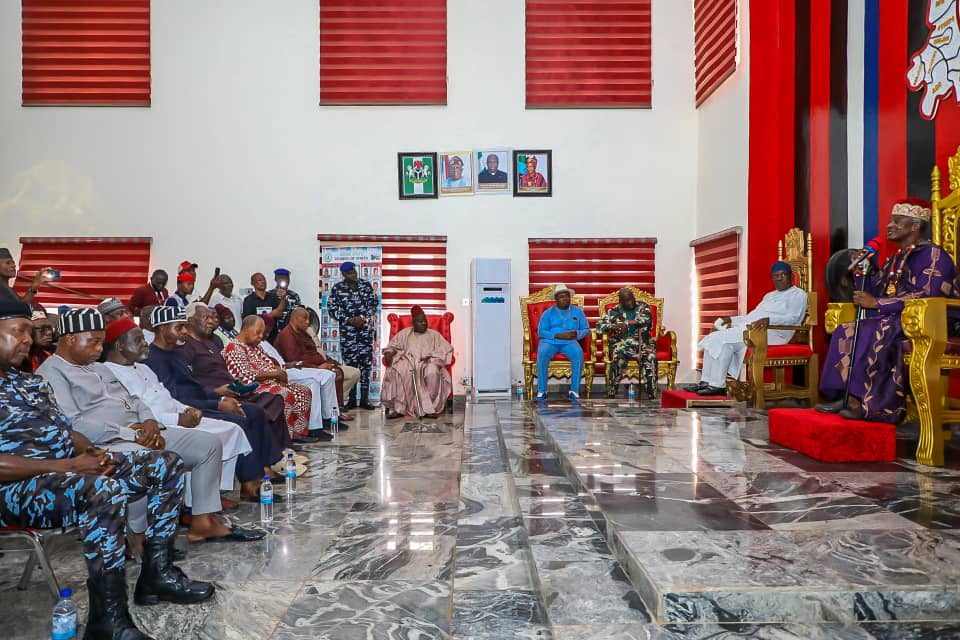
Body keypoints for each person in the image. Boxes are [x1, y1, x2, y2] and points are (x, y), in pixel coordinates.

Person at [0, 300, 214, 640]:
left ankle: (156, 574)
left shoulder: (29, 384)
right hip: (15, 489)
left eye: (29, 332)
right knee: (103, 490)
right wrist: (70, 464)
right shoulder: (46, 376)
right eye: (19, 332)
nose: (29, 340)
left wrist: (92, 453)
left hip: (64, 473)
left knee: (166, 464)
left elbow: (66, 430)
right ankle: (108, 619)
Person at [35, 309, 257, 545]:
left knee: (208, 444)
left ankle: (202, 521)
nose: (100, 349)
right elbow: (74, 425)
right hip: (104, 443)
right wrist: (134, 433)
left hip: (141, 430)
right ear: (70, 339)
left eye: (101, 342)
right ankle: (137, 536)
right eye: (94, 342)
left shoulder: (98, 367)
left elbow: (136, 400)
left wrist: (150, 422)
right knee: (147, 459)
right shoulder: (51, 374)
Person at [105, 315, 281, 509]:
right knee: (230, 428)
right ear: (120, 346)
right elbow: (141, 410)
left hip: (183, 410)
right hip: (162, 424)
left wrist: (190, 410)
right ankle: (202, 500)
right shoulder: (112, 372)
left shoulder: (144, 367)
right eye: (138, 340)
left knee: (236, 427)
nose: (144, 344)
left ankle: (217, 491)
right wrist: (181, 416)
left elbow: (168, 396)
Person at [818, 199, 956, 421]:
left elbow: (927, 295)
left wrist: (878, 304)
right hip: (897, 316)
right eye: (890, 221)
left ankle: (870, 403)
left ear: (914, 226)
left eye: (896, 221)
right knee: (847, 329)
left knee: (876, 328)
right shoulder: (894, 258)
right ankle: (846, 396)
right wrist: (862, 271)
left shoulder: (934, 256)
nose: (889, 225)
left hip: (933, 320)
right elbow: (878, 290)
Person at [179, 303, 298, 451]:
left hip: (234, 390)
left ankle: (282, 449)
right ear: (189, 321)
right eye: (205, 317)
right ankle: (271, 453)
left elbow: (225, 371)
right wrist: (217, 392)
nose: (211, 321)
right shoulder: (186, 346)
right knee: (258, 409)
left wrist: (239, 387)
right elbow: (190, 383)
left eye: (211, 317)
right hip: (215, 396)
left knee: (275, 400)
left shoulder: (213, 342)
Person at [685, 261, 808, 397]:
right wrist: (732, 320)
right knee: (720, 341)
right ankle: (711, 383)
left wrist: (770, 320)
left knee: (718, 338)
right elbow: (751, 317)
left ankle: (714, 383)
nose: (779, 278)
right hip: (755, 331)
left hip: (775, 333)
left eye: (783, 275)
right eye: (776, 276)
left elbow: (793, 318)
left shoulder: (798, 294)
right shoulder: (769, 296)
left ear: (791, 276)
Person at [223, 315, 316, 442]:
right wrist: (275, 375)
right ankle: (284, 437)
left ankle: (297, 433)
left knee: (303, 391)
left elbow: (270, 365)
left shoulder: (256, 347)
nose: (261, 336)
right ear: (245, 329)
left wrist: (278, 373)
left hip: (270, 383)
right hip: (252, 388)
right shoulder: (234, 347)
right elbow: (245, 375)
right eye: (258, 332)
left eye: (263, 332)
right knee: (285, 394)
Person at [257, 321, 342, 435]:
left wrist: (290, 364)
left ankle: (331, 418)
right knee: (313, 382)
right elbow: (269, 366)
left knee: (329, 375)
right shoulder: (259, 344)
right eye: (263, 331)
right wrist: (287, 366)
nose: (265, 334)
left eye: (267, 331)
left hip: (289, 368)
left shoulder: (265, 342)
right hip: (283, 372)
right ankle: (314, 427)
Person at [276, 307, 360, 415]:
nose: (308, 322)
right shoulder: (287, 335)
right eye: (305, 318)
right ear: (294, 319)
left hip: (315, 366)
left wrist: (326, 363)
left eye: (309, 319)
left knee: (336, 372)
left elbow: (314, 352)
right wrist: (318, 368)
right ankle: (330, 413)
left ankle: (335, 410)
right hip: (298, 370)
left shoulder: (304, 333)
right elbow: (295, 361)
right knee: (334, 374)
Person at [381, 305, 454, 419]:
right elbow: (392, 346)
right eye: (420, 321)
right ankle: (398, 408)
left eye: (425, 321)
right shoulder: (405, 333)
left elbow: (446, 349)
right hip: (407, 362)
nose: (424, 323)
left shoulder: (434, 335)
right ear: (413, 323)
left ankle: (430, 408)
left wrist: (431, 357)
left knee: (432, 371)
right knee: (397, 370)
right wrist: (389, 353)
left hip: (428, 362)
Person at [329, 261, 379, 409]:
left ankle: (364, 399)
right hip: (348, 334)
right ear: (343, 274)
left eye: (354, 272)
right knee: (350, 366)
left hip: (364, 332)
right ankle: (351, 400)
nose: (353, 275)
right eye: (350, 273)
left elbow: (373, 305)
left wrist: (363, 318)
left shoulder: (366, 286)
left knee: (365, 365)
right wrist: (349, 319)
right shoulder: (338, 288)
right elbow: (332, 309)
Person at [597, 288, 659, 399]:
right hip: (621, 344)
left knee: (651, 357)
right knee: (618, 358)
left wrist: (626, 323)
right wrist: (615, 326)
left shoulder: (643, 307)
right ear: (621, 301)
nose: (630, 302)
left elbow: (646, 321)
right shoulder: (614, 311)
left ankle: (652, 393)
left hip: (642, 343)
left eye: (632, 299)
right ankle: (612, 392)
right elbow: (599, 327)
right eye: (627, 300)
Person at [534, 284, 590, 400]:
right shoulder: (548, 313)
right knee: (542, 353)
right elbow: (541, 332)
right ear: (556, 299)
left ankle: (574, 391)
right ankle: (542, 391)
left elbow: (586, 329)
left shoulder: (577, 312)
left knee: (578, 353)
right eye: (562, 296)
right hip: (550, 341)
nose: (565, 299)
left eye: (567, 296)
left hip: (570, 341)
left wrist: (577, 334)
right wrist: (557, 335)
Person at [242, 272, 287, 342]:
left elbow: (280, 311)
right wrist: (270, 315)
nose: (263, 282)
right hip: (256, 337)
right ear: (252, 283)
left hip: (272, 335)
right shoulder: (249, 300)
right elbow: (249, 320)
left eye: (264, 280)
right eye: (259, 280)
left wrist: (283, 297)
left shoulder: (272, 296)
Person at [270, 268, 302, 333]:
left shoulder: (294, 295)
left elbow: (298, 314)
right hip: (273, 333)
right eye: (281, 278)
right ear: (276, 279)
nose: (284, 280)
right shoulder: (270, 295)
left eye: (286, 278)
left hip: (290, 332)